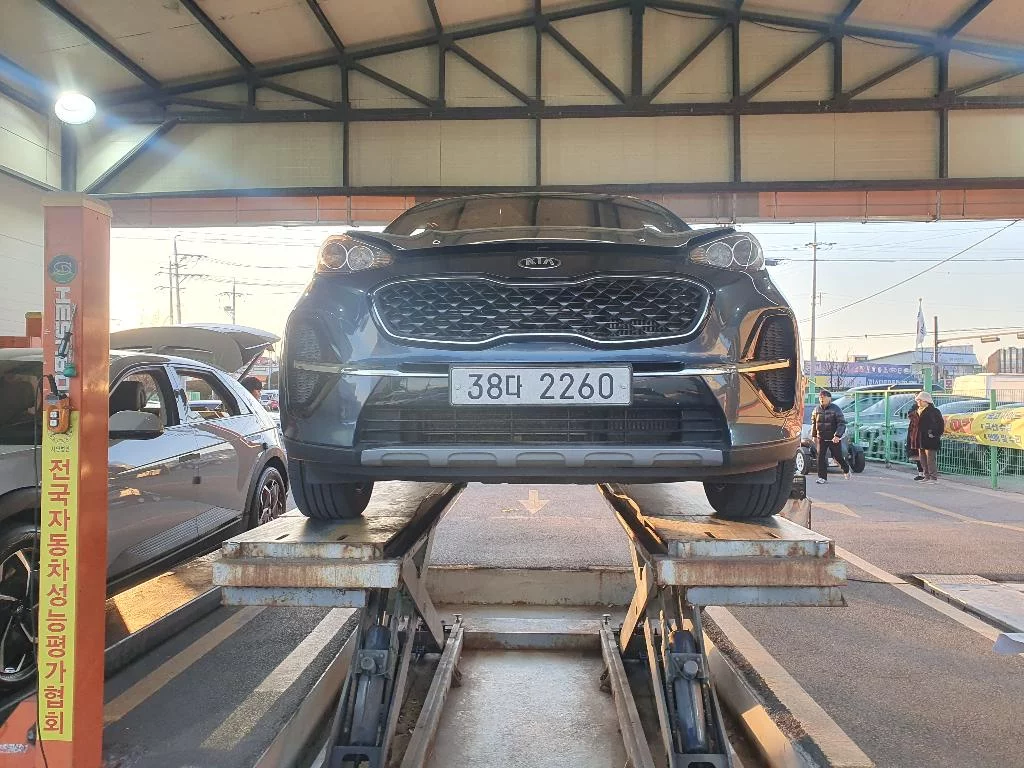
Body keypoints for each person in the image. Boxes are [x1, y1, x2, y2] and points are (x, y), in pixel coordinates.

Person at [810, 389, 851, 485]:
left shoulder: (836, 409)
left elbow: (842, 424)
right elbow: (814, 423)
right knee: (820, 457)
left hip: (833, 438)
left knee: (838, 457)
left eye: (824, 397)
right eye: (820, 397)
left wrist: (837, 435)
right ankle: (822, 477)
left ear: (829, 398)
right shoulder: (816, 410)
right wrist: (814, 435)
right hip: (821, 438)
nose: (821, 399)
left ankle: (846, 469)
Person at [915, 391, 944, 484]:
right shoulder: (918, 410)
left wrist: (933, 433)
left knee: (930, 459)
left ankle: (933, 477)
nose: (918, 402)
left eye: (920, 400)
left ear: (926, 401)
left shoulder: (934, 411)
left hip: (930, 438)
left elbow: (940, 425)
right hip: (921, 438)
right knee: (922, 458)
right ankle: (926, 476)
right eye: (917, 400)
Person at [906, 401, 925, 480]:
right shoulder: (916, 416)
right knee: (919, 456)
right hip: (916, 437)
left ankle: (923, 474)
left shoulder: (920, 415)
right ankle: (922, 474)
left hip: (917, 437)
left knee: (921, 456)